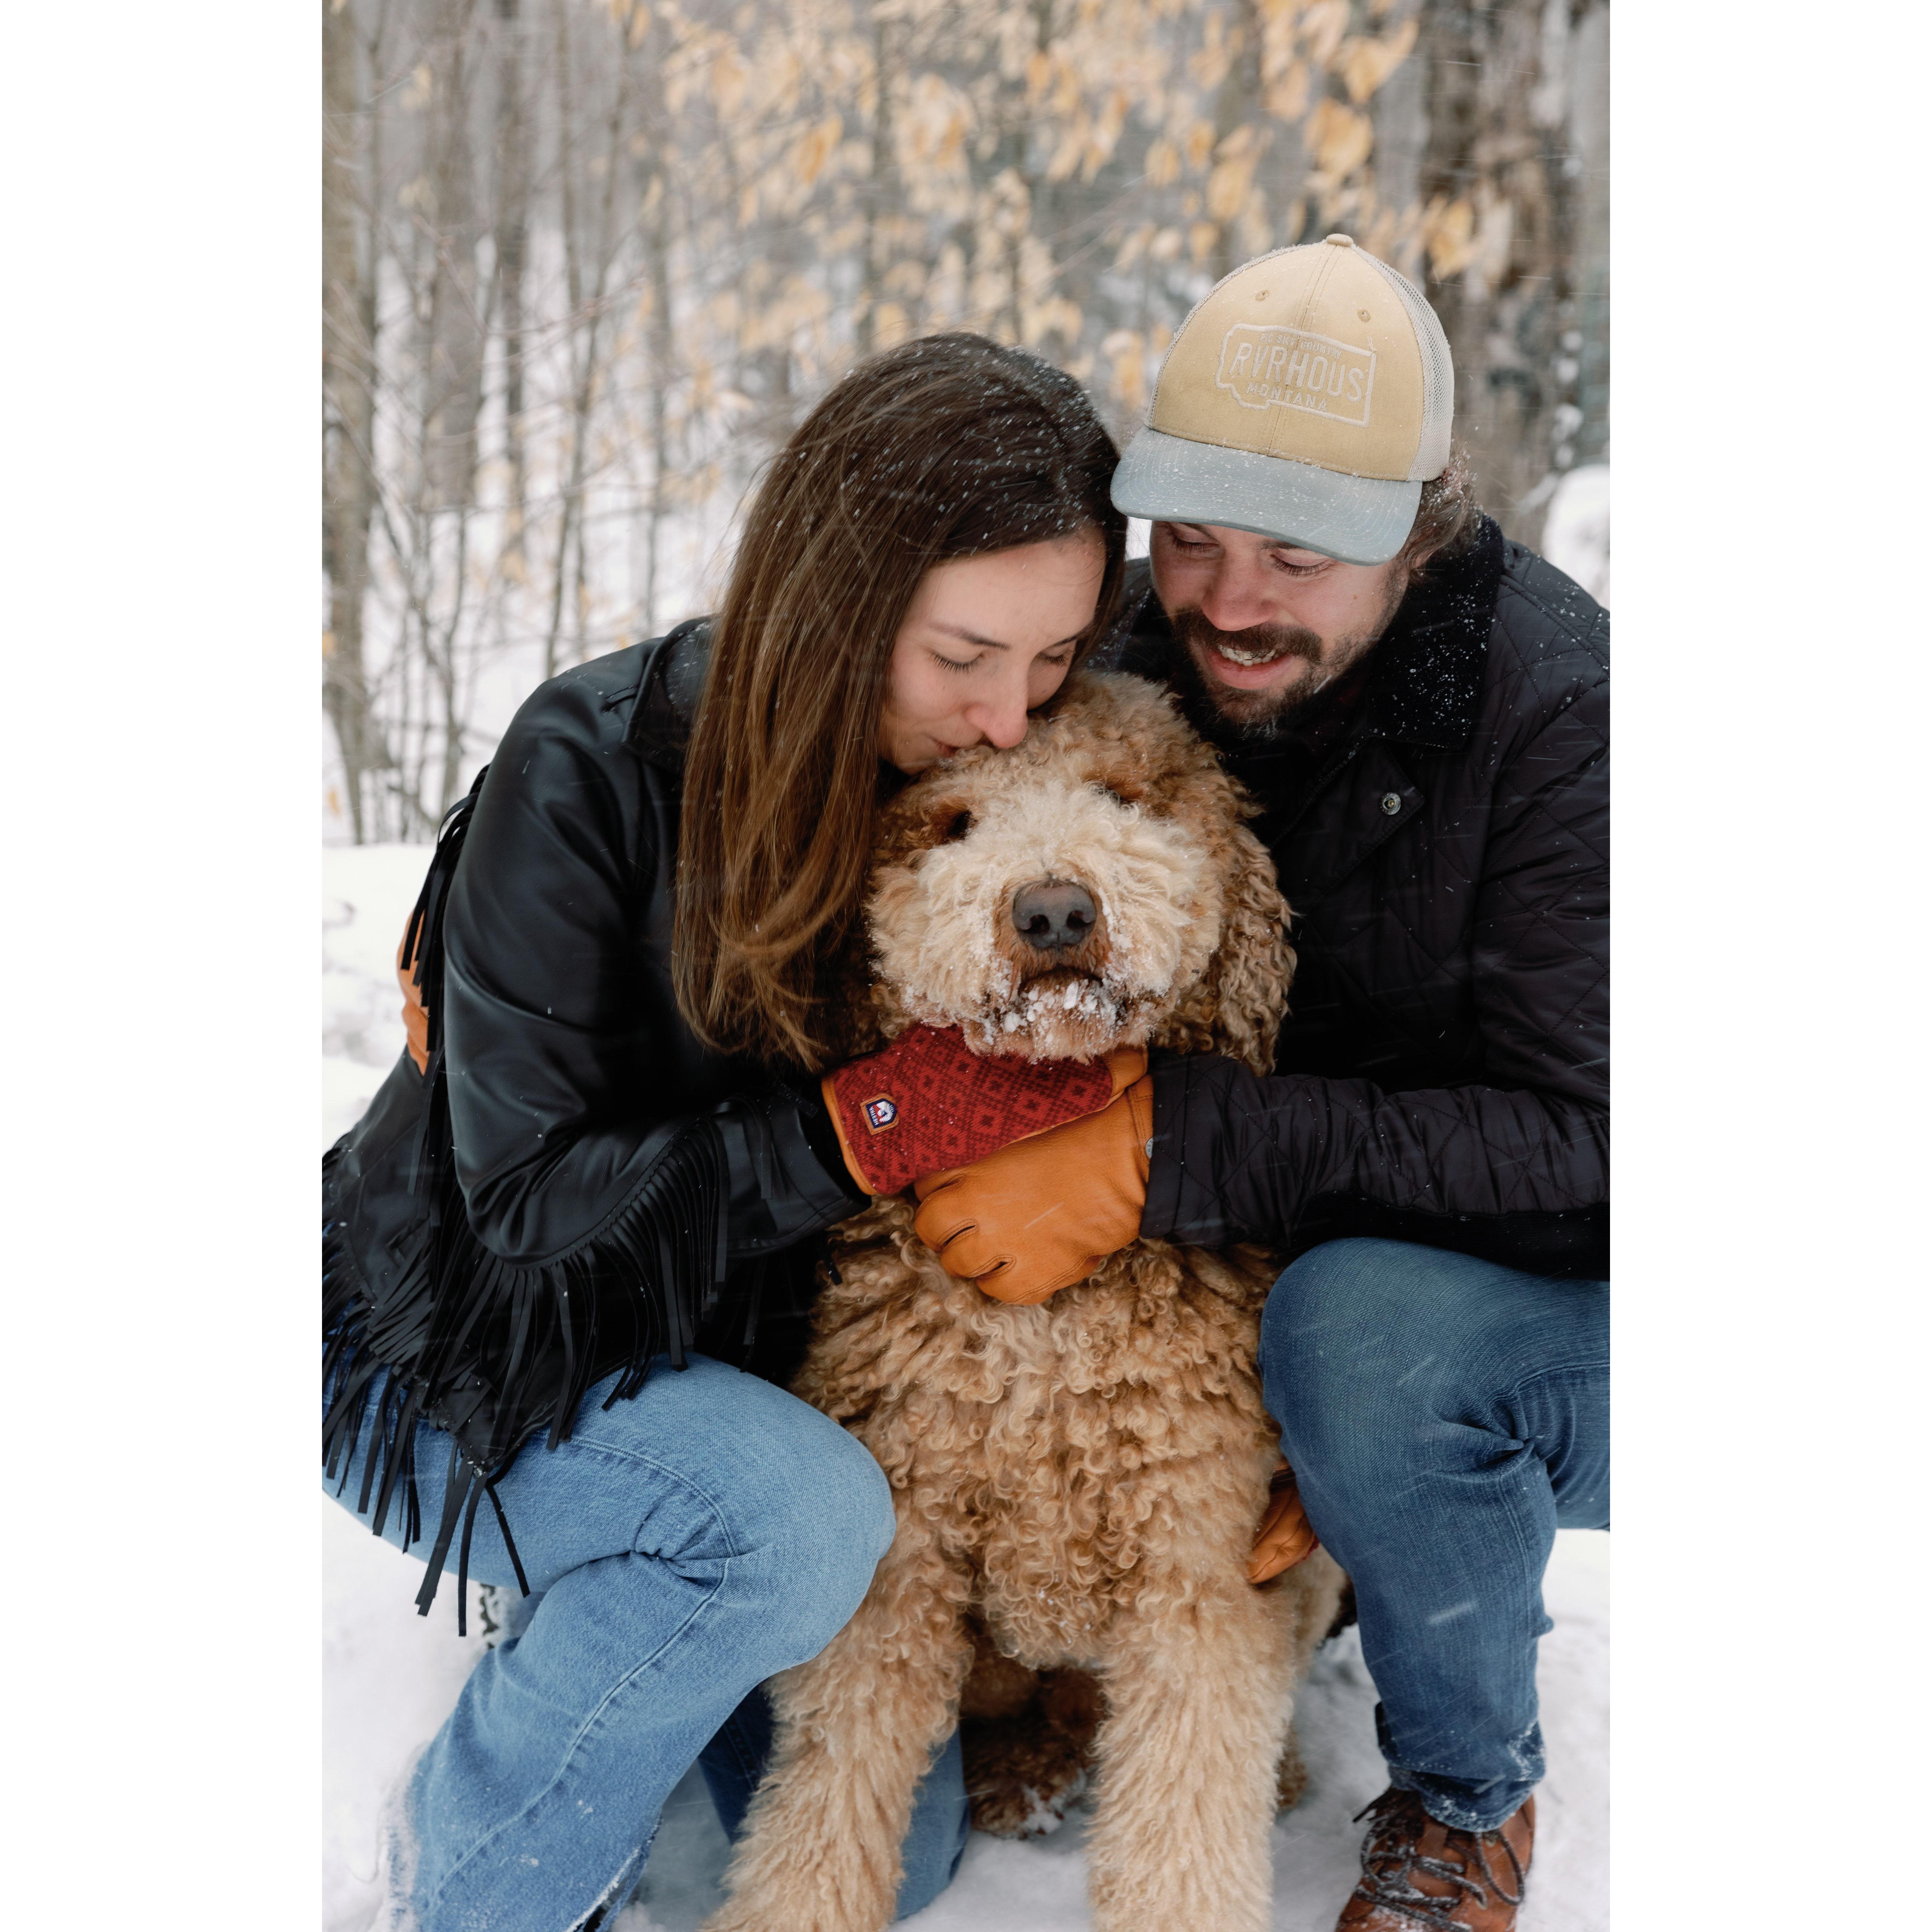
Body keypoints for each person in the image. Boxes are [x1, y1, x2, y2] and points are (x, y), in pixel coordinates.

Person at [322, 333, 1135, 1931]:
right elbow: (532, 1211)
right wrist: (874, 1123)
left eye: (1052, 660)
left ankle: (647, 1591)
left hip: (742, 1382)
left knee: (890, 1862)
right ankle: (463, 1887)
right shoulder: (592, 764)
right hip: (456, 1347)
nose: (1008, 717)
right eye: (963, 655)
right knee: (794, 1522)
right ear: (836, 600)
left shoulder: (988, 761)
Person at [916, 238, 1608, 1932]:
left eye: (1297, 556)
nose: (1228, 603)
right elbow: (858, 649)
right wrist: (551, 811)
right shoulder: (1141, 637)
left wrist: (1172, 1153)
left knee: (1359, 1345)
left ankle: (1467, 1796)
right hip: (1299, 1216)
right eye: (1195, 538)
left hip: (1588, 1300)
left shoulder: (1569, 721)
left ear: (1420, 531)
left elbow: (1598, 1150)